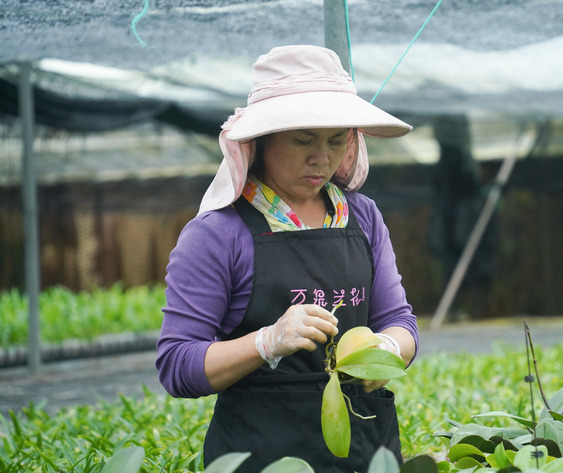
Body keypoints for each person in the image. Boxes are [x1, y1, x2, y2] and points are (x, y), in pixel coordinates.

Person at [155, 45, 419, 472]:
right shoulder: (217, 235)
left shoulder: (363, 216)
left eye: (337, 141)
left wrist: (386, 350)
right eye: (303, 141)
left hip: (368, 451)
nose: (322, 158)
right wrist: (266, 342)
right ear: (259, 142)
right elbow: (177, 364)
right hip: (263, 454)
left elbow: (401, 323)